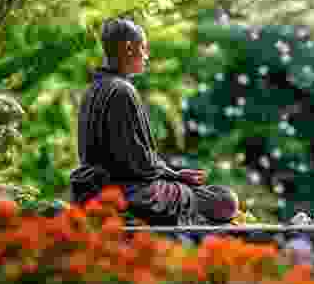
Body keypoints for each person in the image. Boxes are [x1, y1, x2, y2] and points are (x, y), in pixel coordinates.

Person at [69, 18, 240, 226]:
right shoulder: (122, 90)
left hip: (94, 190)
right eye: (144, 48)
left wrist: (172, 174)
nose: (147, 56)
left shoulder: (93, 89)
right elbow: (136, 163)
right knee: (225, 201)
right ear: (128, 48)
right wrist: (173, 176)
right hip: (126, 193)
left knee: (208, 195)